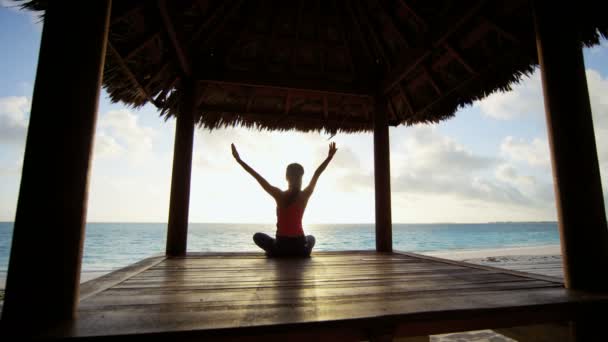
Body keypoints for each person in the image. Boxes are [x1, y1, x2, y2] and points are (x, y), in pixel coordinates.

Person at [231, 142, 338, 257]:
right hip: (300, 248)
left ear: (286, 177)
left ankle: (274, 252)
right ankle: (302, 252)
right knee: (311, 238)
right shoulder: (305, 195)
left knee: (257, 236)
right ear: (301, 177)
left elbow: (257, 176)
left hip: (281, 246)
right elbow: (317, 173)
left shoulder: (279, 194)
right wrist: (329, 157)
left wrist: (239, 160)